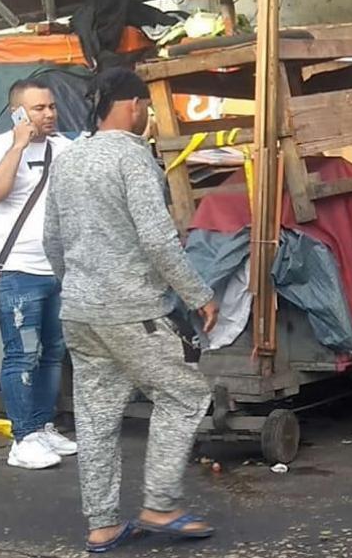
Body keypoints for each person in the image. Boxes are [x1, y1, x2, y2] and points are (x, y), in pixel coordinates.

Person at [43, 67, 220, 552]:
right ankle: (160, 505)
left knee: (96, 417)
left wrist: (78, 286)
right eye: (147, 108)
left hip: (80, 311)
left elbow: (52, 239)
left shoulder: (68, 160)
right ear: (135, 105)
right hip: (132, 309)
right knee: (184, 394)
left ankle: (102, 524)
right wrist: (198, 293)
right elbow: (158, 239)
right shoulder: (132, 157)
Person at [0, 78, 78, 470]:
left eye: (52, 106)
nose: (49, 114)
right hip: (16, 270)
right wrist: (18, 146)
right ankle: (23, 438)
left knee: (53, 352)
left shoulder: (64, 149)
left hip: (57, 269)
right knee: (23, 353)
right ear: (17, 112)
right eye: (38, 108)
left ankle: (42, 425)